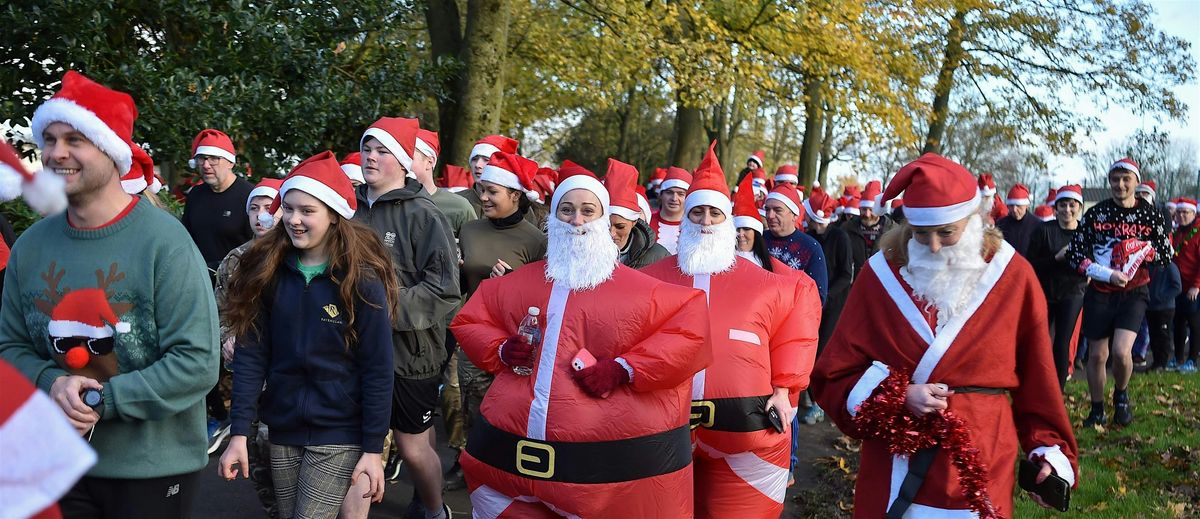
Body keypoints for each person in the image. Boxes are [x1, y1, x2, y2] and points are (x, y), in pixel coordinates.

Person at [0, 70, 219, 518]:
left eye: (75, 139)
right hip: (54, 464)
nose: (56, 153)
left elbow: (197, 362)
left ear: (110, 149)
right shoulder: (31, 246)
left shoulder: (166, 243)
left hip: (152, 471)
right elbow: (10, 345)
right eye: (50, 139)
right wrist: (53, 383)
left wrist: (103, 400)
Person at [811, 153, 1078, 518]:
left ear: (973, 221)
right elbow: (834, 375)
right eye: (921, 234)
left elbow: (1038, 376)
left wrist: (1046, 447)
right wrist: (898, 395)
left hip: (983, 452)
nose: (933, 246)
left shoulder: (1012, 275)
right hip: (898, 460)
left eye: (946, 233)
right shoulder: (879, 277)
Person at [450, 168, 710, 517]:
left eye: (588, 210)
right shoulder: (517, 283)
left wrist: (624, 369)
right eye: (566, 209)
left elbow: (689, 334)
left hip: (597, 470)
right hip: (507, 461)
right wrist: (500, 348)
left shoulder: (642, 290)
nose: (576, 219)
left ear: (604, 220)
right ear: (552, 217)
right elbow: (470, 320)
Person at [642, 142, 819, 518]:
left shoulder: (768, 282)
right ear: (686, 219)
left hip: (746, 429)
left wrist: (785, 389)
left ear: (728, 221)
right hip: (664, 428)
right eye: (698, 213)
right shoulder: (649, 280)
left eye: (714, 214)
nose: (705, 222)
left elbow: (799, 314)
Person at [219, 152, 398, 519]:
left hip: (340, 432)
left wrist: (372, 450)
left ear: (333, 214)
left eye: (307, 211)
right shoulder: (268, 273)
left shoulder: (360, 281)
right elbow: (252, 355)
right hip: (282, 428)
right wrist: (239, 432)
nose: (294, 220)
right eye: (289, 209)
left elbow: (378, 369)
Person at [356, 117, 461, 518]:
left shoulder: (423, 215)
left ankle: (434, 509)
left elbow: (444, 287)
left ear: (402, 161)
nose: (371, 156)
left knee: (413, 446)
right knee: (353, 444)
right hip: (352, 349)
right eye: (367, 148)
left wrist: (382, 312)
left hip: (410, 353)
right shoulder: (347, 208)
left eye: (382, 150)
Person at [453, 151, 547, 491]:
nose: (483, 197)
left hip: (519, 345)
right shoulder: (470, 229)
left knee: (511, 417)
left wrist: (514, 281)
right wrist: (458, 270)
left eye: (492, 191)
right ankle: (473, 473)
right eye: (481, 190)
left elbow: (542, 297)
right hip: (477, 338)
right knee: (474, 414)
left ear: (515, 195)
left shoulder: (536, 239)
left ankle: (509, 480)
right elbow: (461, 288)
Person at [1068, 157, 1173, 426]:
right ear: (1109, 182)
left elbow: (1164, 255)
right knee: (1097, 355)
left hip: (1134, 291)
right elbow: (1076, 256)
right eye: (1115, 179)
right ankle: (1097, 408)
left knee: (1120, 352)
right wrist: (1106, 273)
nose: (1120, 184)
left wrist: (1138, 254)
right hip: (1101, 292)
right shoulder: (1095, 214)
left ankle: (1122, 396)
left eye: (1126, 179)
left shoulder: (1150, 215)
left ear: (1136, 182)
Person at [211, 177, 283, 517]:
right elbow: (221, 309)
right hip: (247, 371)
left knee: (282, 449)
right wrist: (226, 336)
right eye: (253, 208)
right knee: (255, 454)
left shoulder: (296, 257)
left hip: (285, 375)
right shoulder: (233, 261)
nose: (260, 215)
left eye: (268, 207)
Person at [180, 128, 255, 451]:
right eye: (201, 158)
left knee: (236, 353)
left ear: (229, 162)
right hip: (199, 285)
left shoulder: (246, 195)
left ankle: (244, 419)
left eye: (212, 158)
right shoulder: (195, 196)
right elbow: (186, 239)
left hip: (238, 289)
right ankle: (214, 414)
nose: (206, 164)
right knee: (199, 349)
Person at [1026, 185, 1088, 389]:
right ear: (1056, 207)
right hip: (1046, 292)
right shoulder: (1044, 230)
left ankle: (1057, 389)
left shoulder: (1085, 232)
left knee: (1062, 342)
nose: (1067, 210)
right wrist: (1056, 258)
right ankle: (1036, 383)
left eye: (1072, 205)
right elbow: (1031, 264)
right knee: (1040, 340)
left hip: (1073, 292)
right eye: (1063, 205)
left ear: (1079, 207)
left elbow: (1094, 263)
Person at [801, 187, 854, 425]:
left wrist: (825, 295)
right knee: (807, 350)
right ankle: (809, 396)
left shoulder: (840, 237)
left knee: (822, 352)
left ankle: (819, 404)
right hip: (808, 304)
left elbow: (845, 275)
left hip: (832, 305)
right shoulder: (808, 237)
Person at [763, 182, 829, 303]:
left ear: (794, 215)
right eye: (767, 209)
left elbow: (818, 297)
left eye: (778, 210)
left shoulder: (811, 248)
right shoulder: (758, 240)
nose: (770, 215)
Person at [605, 158, 669, 269]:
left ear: (634, 222)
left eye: (620, 227)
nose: (612, 233)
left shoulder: (659, 257)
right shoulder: (582, 251)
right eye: (606, 226)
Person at [459, 134, 519, 217]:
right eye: (474, 159)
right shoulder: (456, 200)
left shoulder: (516, 205)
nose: (477, 165)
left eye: (486, 160)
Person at [1172, 198, 1200, 373]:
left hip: (1192, 288)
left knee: (1194, 322)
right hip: (1177, 288)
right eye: (1179, 212)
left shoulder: (1198, 233)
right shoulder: (1177, 233)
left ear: (1193, 214)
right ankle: (1178, 358)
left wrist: (1196, 285)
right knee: (1178, 323)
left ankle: (1192, 360)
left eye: (1185, 213)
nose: (1182, 216)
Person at [844, 180, 893, 278]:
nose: (867, 214)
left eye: (871, 210)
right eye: (863, 209)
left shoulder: (891, 230)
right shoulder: (847, 229)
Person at [651, 166, 691, 254]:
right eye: (669, 193)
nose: (674, 198)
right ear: (661, 195)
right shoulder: (647, 222)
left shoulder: (694, 226)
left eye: (681, 194)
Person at [995, 183, 1041, 256]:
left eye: (1018, 206)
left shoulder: (1038, 226)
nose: (1014, 209)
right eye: (1011, 206)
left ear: (1027, 205)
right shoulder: (1001, 224)